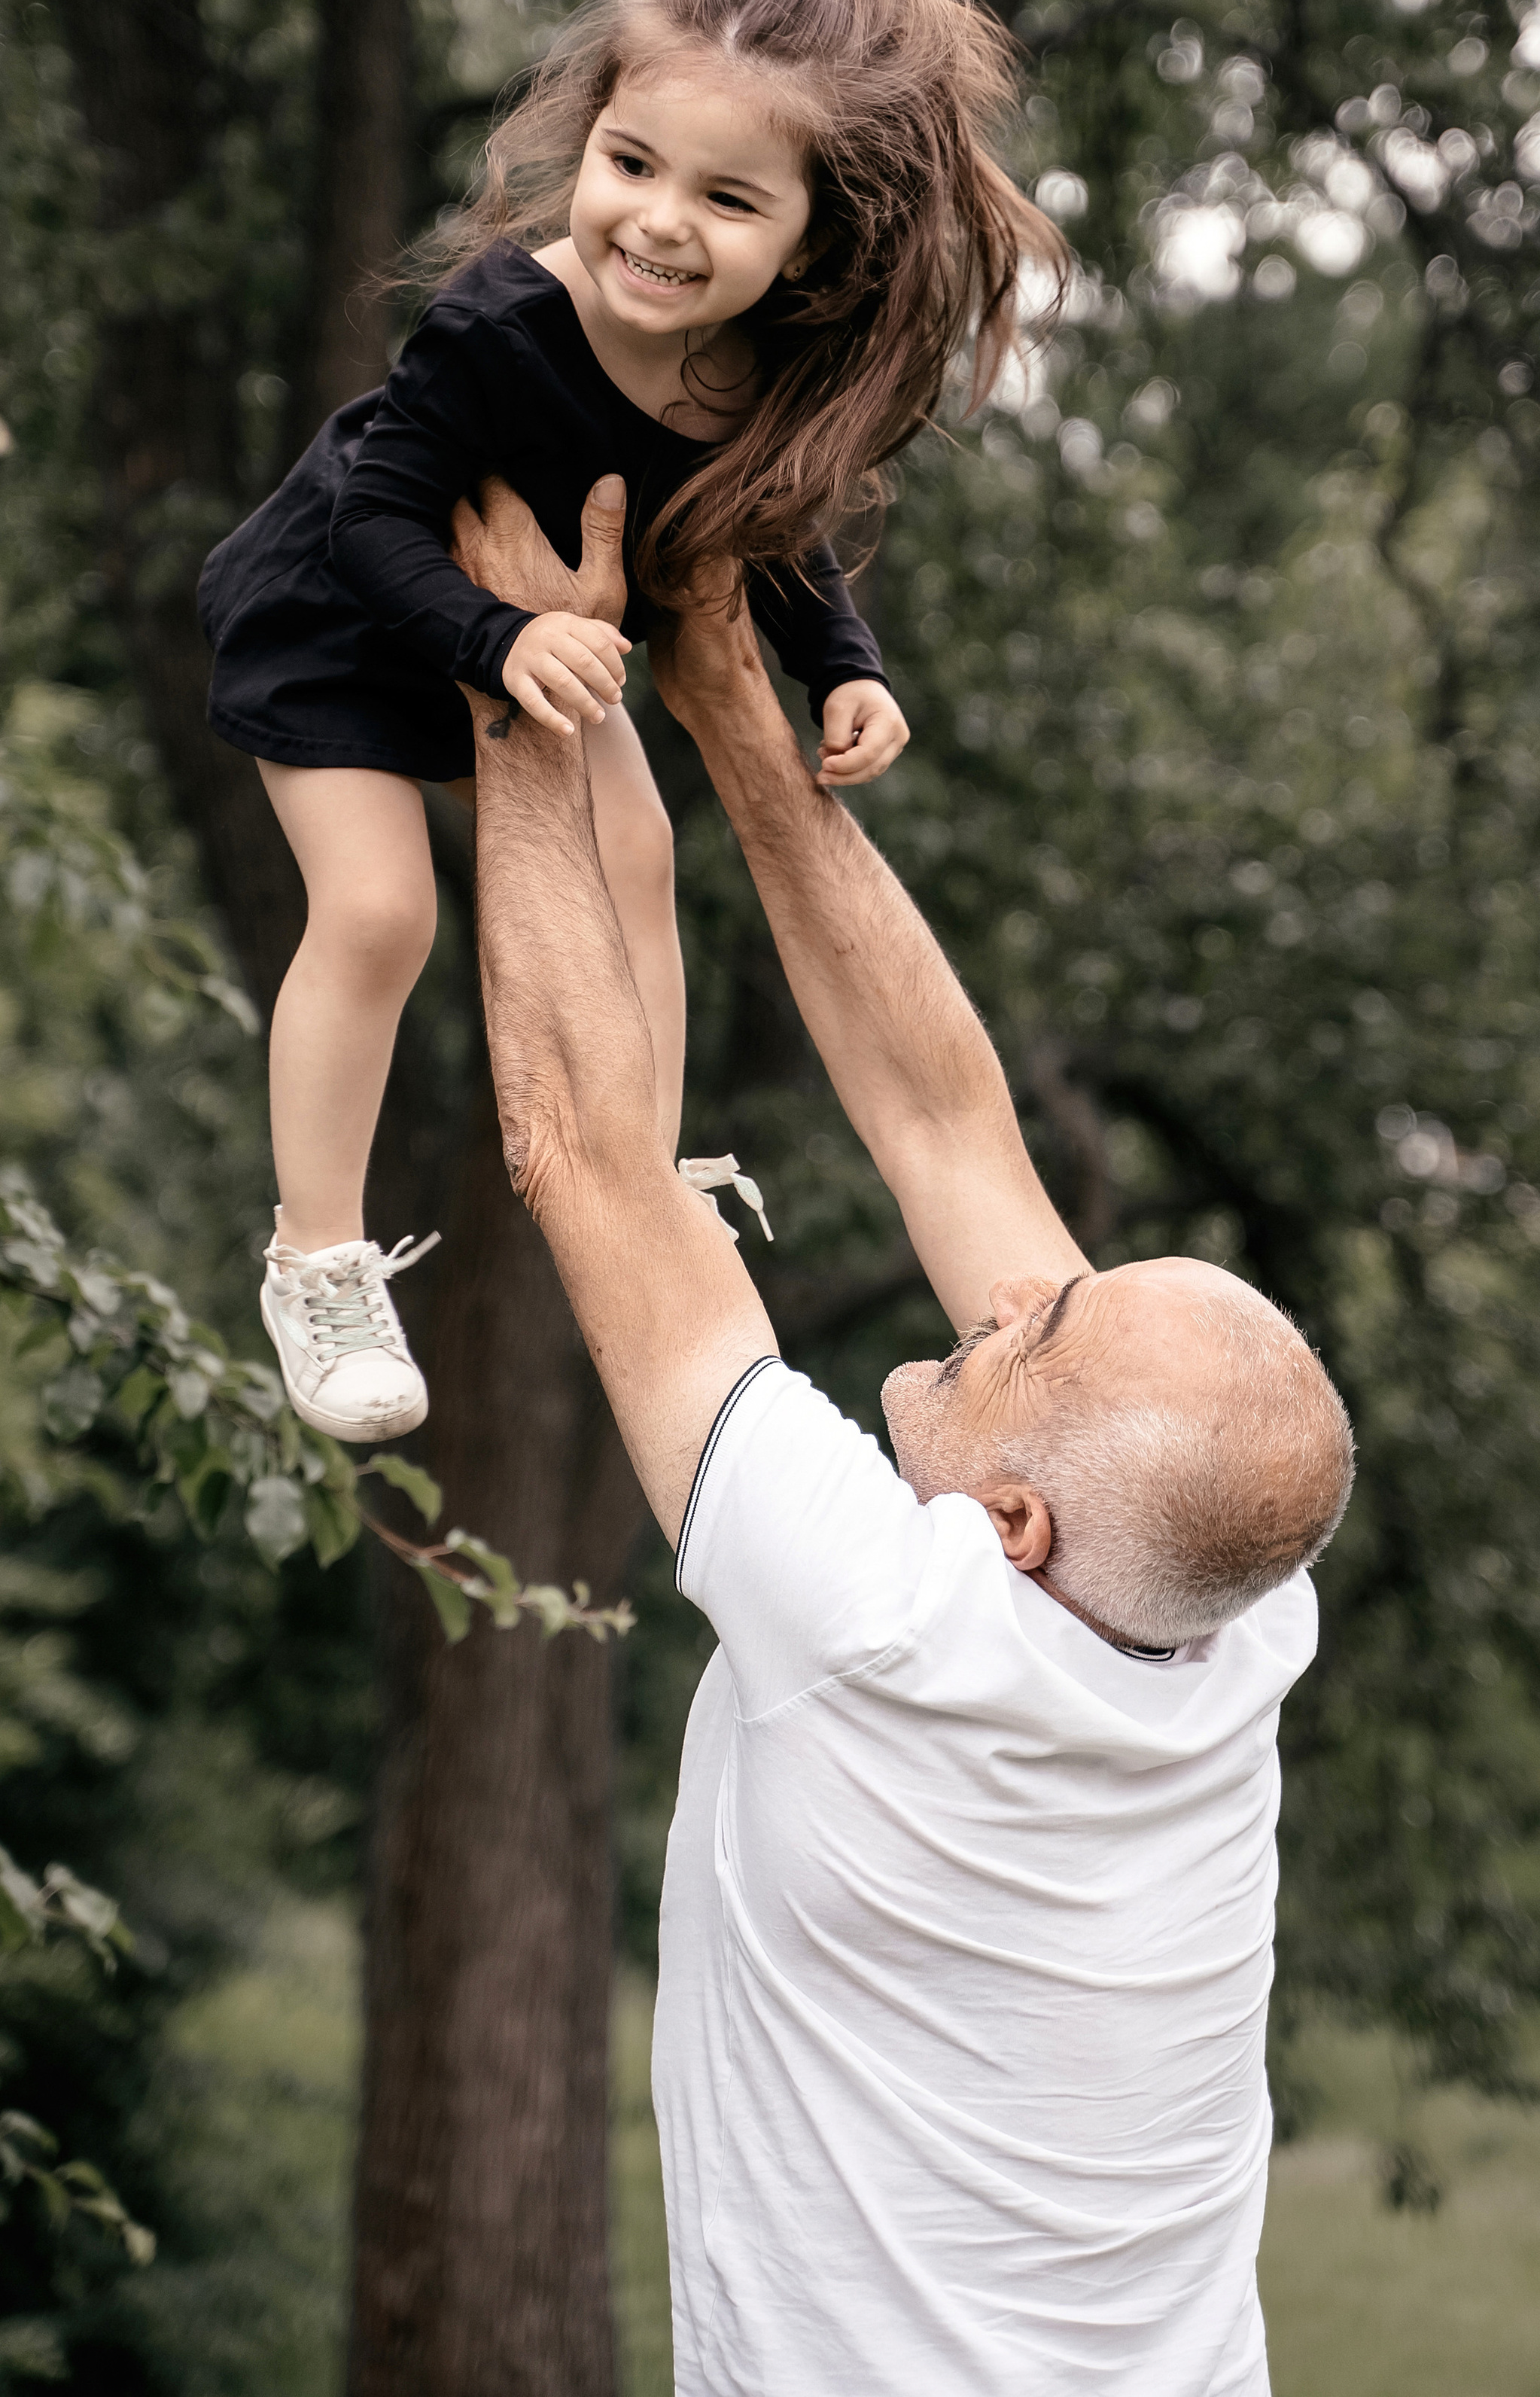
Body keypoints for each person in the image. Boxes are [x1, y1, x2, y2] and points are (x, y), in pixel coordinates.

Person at [447, 477, 1356, 2397]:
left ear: (1013, 1522)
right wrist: (732, 713)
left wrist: (505, 680)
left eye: (1032, 1327)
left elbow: (580, 1154)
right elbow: (949, 1128)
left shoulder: (879, 1614)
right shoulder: (1214, 1600)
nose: (1005, 1292)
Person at [196, 0, 1064, 1441]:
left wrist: (841, 665)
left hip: (538, 642)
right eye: (631, 162)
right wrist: (498, 634)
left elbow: (773, 529)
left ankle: (650, 1182)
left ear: (814, 237)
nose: (658, 222)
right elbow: (374, 524)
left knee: (642, 853)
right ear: (585, 135)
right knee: (381, 911)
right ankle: (314, 1251)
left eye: (729, 202)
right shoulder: (496, 328)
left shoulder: (752, 371)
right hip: (347, 613)